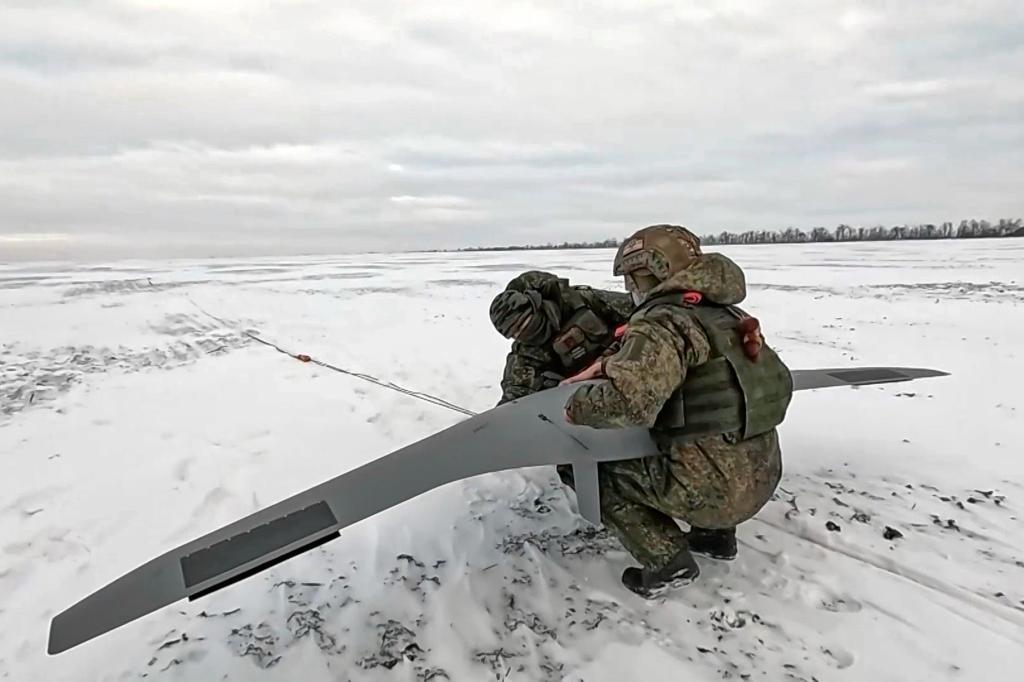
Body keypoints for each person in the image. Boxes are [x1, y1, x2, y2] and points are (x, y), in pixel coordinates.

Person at [562, 224, 793, 598]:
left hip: (715, 493)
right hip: (762, 477)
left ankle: (666, 561)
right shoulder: (725, 314)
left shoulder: (663, 321)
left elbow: (629, 403)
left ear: (650, 273)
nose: (630, 291)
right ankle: (715, 539)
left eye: (632, 281)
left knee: (590, 470)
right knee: (712, 438)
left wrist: (575, 408)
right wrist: (609, 364)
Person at [489, 270, 634, 406]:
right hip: (588, 397)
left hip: (630, 364)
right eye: (515, 334)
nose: (522, 333)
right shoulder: (526, 355)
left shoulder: (582, 301)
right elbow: (514, 399)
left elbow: (640, 311)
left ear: (536, 307)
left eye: (525, 324)